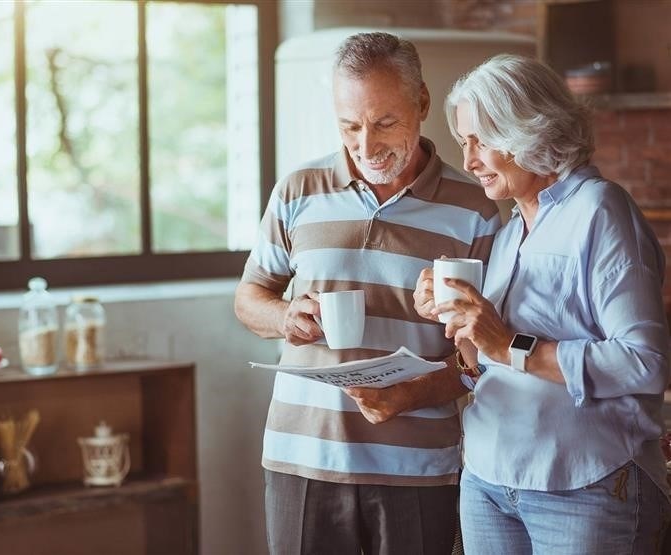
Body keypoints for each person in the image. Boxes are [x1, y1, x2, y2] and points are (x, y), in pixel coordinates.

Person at [234, 32, 501, 555]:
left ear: (422, 102)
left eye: (384, 123)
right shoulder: (299, 190)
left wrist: (412, 394)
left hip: (419, 467)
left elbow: (486, 356)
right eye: (349, 126)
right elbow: (249, 297)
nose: (366, 145)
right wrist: (286, 316)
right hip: (302, 458)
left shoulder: (477, 209)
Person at [413, 53, 671, 554]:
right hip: (489, 480)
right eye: (464, 142)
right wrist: (461, 325)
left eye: (480, 141)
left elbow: (646, 363)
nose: (467, 161)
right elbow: (487, 365)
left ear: (525, 130)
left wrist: (509, 342)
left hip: (583, 486)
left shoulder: (601, 209)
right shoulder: (511, 233)